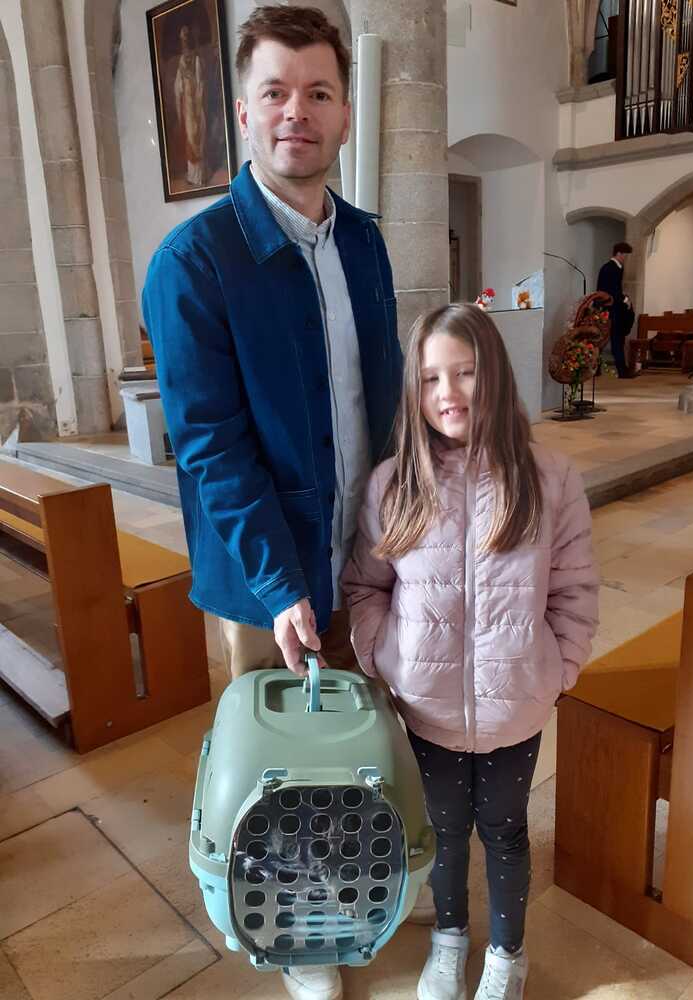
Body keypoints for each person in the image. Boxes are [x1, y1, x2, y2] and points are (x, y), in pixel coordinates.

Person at [142, 9, 402, 999]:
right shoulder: (194, 262)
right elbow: (211, 444)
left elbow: (381, 398)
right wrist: (279, 583)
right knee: (279, 768)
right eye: (277, 92)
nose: (299, 110)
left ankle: (357, 889)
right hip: (266, 569)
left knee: (358, 741)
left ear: (344, 115)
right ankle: (299, 940)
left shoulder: (365, 243)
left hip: (361, 547)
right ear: (244, 113)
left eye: (320, 92)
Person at [342, 303, 599, 1000]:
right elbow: (365, 586)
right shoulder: (394, 483)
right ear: (414, 391)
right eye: (430, 378)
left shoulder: (549, 478)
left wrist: (558, 668)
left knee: (506, 831)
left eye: (464, 373)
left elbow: (574, 589)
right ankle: (450, 938)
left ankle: (507, 955)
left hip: (517, 702)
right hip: (427, 707)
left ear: (496, 375)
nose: (448, 393)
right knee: (446, 831)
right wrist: (387, 656)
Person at [174, 24, 207, 187]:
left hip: (195, 104)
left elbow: (200, 83)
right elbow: (178, 84)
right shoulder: (182, 60)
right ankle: (192, 175)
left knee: (197, 137)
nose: (184, 42)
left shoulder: (196, 60)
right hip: (187, 105)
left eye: (186, 39)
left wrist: (198, 102)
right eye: (182, 40)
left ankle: (198, 176)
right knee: (189, 139)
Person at [597, 241, 635, 378]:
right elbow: (611, 290)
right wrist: (625, 300)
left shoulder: (614, 267)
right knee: (614, 340)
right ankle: (622, 371)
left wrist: (624, 298)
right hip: (610, 310)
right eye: (625, 255)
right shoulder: (611, 268)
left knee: (609, 340)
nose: (626, 258)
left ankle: (599, 369)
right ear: (618, 253)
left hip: (611, 308)